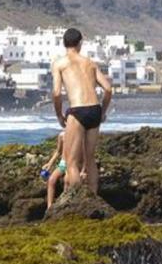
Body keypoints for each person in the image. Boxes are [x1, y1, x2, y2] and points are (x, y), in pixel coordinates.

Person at [51, 28, 113, 193]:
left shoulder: (60, 63)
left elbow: (56, 93)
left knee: (71, 162)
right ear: (80, 43)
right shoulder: (90, 63)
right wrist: (103, 113)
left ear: (64, 43)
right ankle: (92, 195)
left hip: (77, 110)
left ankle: (77, 198)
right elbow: (108, 89)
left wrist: (59, 115)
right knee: (90, 158)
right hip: (95, 110)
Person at [40, 130, 68, 210]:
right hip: (63, 163)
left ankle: (65, 204)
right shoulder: (62, 135)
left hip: (72, 164)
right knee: (51, 180)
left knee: (67, 181)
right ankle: (49, 207)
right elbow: (58, 151)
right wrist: (50, 163)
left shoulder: (76, 134)